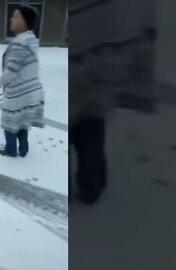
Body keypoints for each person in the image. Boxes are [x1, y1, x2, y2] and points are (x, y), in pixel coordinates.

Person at [69, 0, 157, 205]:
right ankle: (93, 187)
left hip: (79, 77)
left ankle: (81, 189)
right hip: (101, 75)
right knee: (93, 136)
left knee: (80, 135)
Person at [0, 5, 45, 158]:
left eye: (16, 17)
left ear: (24, 22)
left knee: (10, 124)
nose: (12, 19)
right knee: (22, 121)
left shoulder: (20, 43)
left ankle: (11, 150)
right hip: (31, 91)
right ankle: (23, 149)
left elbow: (12, 69)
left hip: (18, 92)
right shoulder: (30, 41)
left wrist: (1, 81)